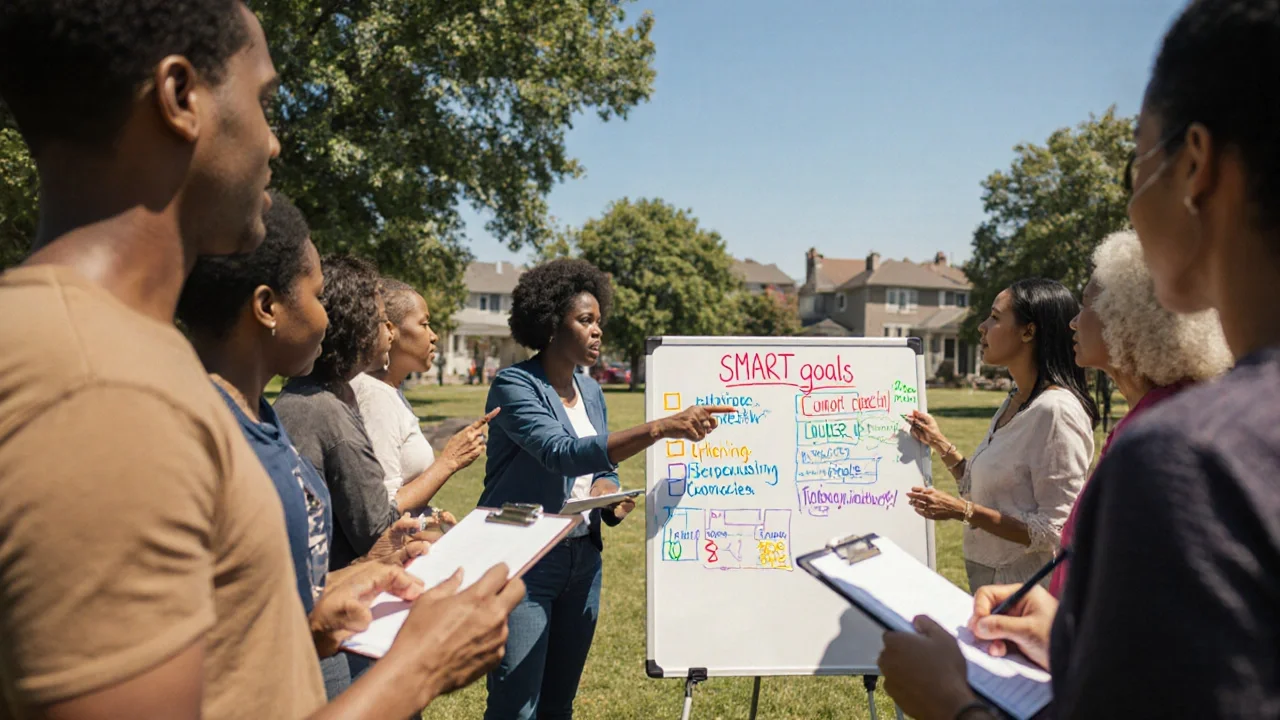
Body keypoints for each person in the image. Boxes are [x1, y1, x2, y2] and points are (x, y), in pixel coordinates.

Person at [0, 2, 521, 718]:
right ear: (181, 97)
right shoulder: (104, 390)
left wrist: (305, 616)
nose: (275, 143)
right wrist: (420, 667)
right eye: (265, 99)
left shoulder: (117, 354)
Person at [878, 1, 1280, 717]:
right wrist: (1073, 635)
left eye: (1135, 165)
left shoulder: (1186, 457)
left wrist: (950, 704)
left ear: (1196, 163)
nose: (1130, 207)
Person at [176, 192, 447, 698]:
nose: (331, 316)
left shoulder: (264, 416)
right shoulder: (203, 438)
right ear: (267, 307)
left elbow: (270, 596)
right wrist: (423, 670)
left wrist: (365, 570)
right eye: (320, 296)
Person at [480, 259, 734, 719]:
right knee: (516, 707)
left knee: (559, 703)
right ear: (551, 322)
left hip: (582, 561)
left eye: (599, 321)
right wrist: (660, 428)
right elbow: (560, 452)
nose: (598, 331)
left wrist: (609, 490)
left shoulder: (591, 391)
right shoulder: (514, 385)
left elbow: (601, 462)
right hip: (525, 561)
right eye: (585, 320)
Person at [1048, 229, 1232, 596]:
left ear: (1126, 319)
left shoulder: (1162, 432)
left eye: (1085, 305)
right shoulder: (1160, 412)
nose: (1072, 321)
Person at [904, 278, 1098, 589]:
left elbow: (1055, 530)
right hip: (990, 582)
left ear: (1028, 331)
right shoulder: (1016, 400)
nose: (982, 327)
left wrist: (960, 511)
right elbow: (989, 490)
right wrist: (940, 444)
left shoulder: (1056, 412)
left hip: (1026, 594)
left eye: (995, 318)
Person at [274, 254, 403, 572]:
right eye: (381, 319)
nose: (390, 330)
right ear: (356, 328)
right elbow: (375, 533)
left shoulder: (301, 392)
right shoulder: (326, 411)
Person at [352, 277, 492, 519]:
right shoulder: (375, 398)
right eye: (424, 324)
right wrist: (449, 461)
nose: (434, 336)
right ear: (390, 330)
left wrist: (430, 517)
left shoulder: (390, 392)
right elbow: (383, 510)